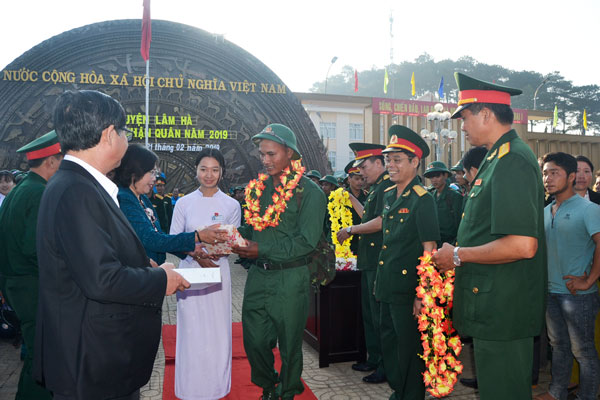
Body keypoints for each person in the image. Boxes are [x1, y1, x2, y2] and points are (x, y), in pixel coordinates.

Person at [34, 90, 190, 400]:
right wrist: (162, 278)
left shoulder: (81, 185)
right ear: (108, 135)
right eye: (124, 132)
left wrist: (139, 264)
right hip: (91, 364)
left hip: (96, 358)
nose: (126, 139)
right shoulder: (76, 192)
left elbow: (91, 258)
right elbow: (102, 280)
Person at [432, 73, 546, 400]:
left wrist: (458, 255)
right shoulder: (496, 158)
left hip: (503, 309)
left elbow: (523, 245)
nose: (462, 126)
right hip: (494, 303)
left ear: (485, 114)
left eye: (465, 118)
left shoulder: (512, 160)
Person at [232, 123, 326, 400]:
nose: (265, 160)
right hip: (259, 277)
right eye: (262, 154)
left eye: (271, 154)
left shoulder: (309, 193)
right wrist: (232, 238)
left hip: (290, 278)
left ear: (290, 153)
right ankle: (268, 384)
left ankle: (286, 392)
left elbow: (306, 242)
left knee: (289, 344)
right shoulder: (258, 190)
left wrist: (261, 248)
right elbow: (253, 228)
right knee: (254, 340)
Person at [170, 148, 241, 400]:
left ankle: (216, 388)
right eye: (203, 169)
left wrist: (216, 251)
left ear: (221, 172)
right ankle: (189, 388)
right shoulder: (183, 203)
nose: (208, 175)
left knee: (217, 329)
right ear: (196, 171)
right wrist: (198, 253)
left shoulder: (231, 204)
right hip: (190, 274)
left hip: (218, 274)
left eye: (214, 169)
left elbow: (231, 243)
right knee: (191, 330)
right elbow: (176, 241)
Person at [376, 125, 439, 400]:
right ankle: (398, 390)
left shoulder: (423, 200)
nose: (390, 165)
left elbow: (430, 249)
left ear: (415, 162)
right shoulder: (390, 195)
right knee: (389, 343)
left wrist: (421, 294)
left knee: (410, 347)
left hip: (408, 288)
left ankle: (412, 394)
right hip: (387, 283)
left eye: (397, 160)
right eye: (388, 159)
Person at [0, 130, 63, 400]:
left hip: (17, 283)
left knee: (39, 354)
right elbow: (36, 249)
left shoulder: (23, 189)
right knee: (44, 360)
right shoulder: (37, 193)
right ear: (50, 162)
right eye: (62, 160)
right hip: (32, 285)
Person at [534, 152, 600, 400]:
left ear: (571, 177)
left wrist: (589, 280)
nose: (547, 179)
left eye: (554, 173)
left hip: (578, 295)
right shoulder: (545, 210)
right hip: (550, 292)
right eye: (545, 173)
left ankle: (588, 395)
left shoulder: (589, 209)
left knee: (583, 351)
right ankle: (556, 392)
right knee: (558, 346)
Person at [336, 142, 393, 384]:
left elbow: (381, 222)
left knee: (381, 317)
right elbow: (367, 216)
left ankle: (385, 365)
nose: (361, 172)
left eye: (365, 166)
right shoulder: (376, 189)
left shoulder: (388, 187)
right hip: (369, 261)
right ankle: (374, 358)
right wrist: (349, 198)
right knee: (370, 314)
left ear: (380, 163)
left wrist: (351, 229)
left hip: (380, 261)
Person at [113, 144, 225, 264]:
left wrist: (187, 251)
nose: (154, 179)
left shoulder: (143, 199)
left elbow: (159, 235)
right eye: (151, 172)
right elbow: (150, 239)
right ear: (135, 172)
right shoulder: (124, 199)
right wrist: (197, 236)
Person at [424, 161, 462, 246]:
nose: (434, 180)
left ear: (445, 175)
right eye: (431, 177)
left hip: (449, 243)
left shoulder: (455, 196)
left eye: (437, 176)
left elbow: (459, 224)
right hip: (434, 243)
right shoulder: (430, 196)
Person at [343, 160, 367, 255]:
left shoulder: (367, 197)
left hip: (363, 243)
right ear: (349, 179)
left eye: (362, 179)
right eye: (357, 179)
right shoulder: (339, 197)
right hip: (345, 243)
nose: (360, 182)